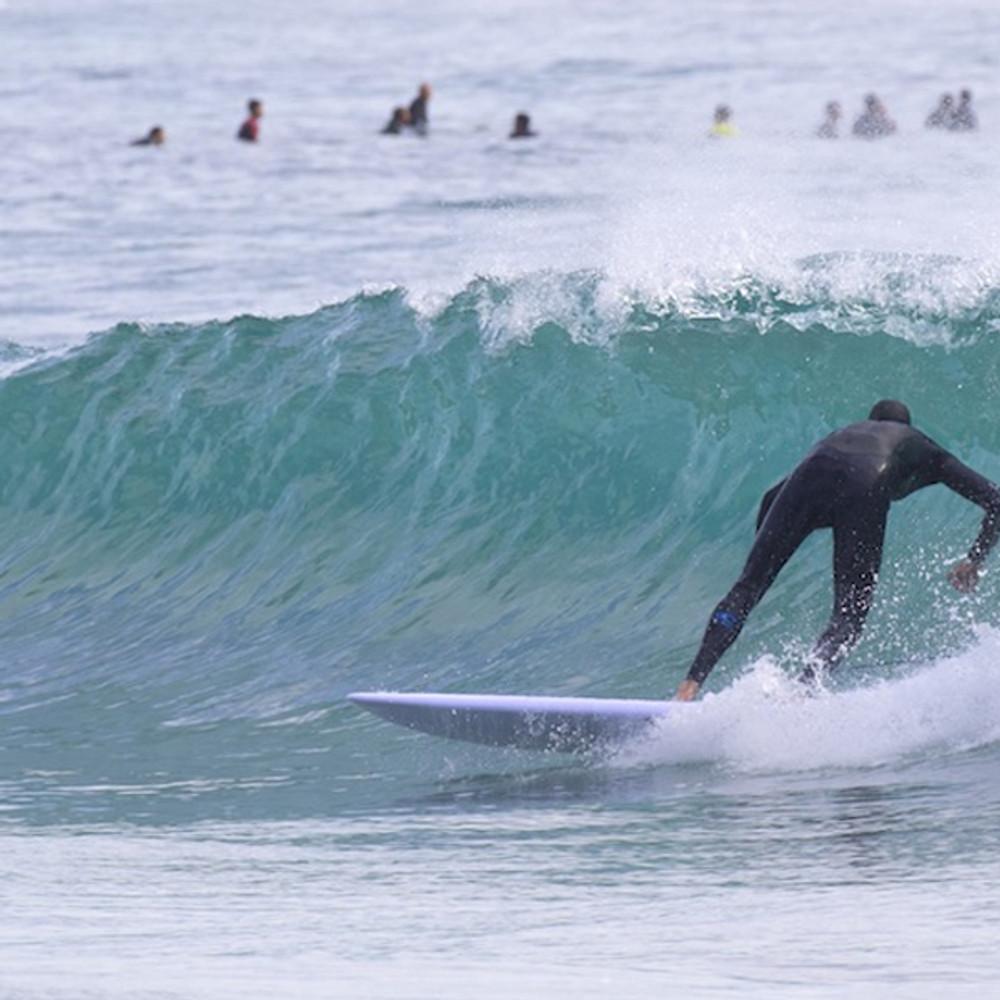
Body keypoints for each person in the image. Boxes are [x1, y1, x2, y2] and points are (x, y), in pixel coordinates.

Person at [674, 400, 1000, 701]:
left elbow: (772, 497)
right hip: (867, 482)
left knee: (747, 588)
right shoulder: (923, 447)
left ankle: (688, 689)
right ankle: (800, 694)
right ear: (906, 425)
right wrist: (974, 560)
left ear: (873, 421)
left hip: (810, 475)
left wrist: (762, 559)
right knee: (850, 614)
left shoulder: (842, 435)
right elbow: (996, 501)